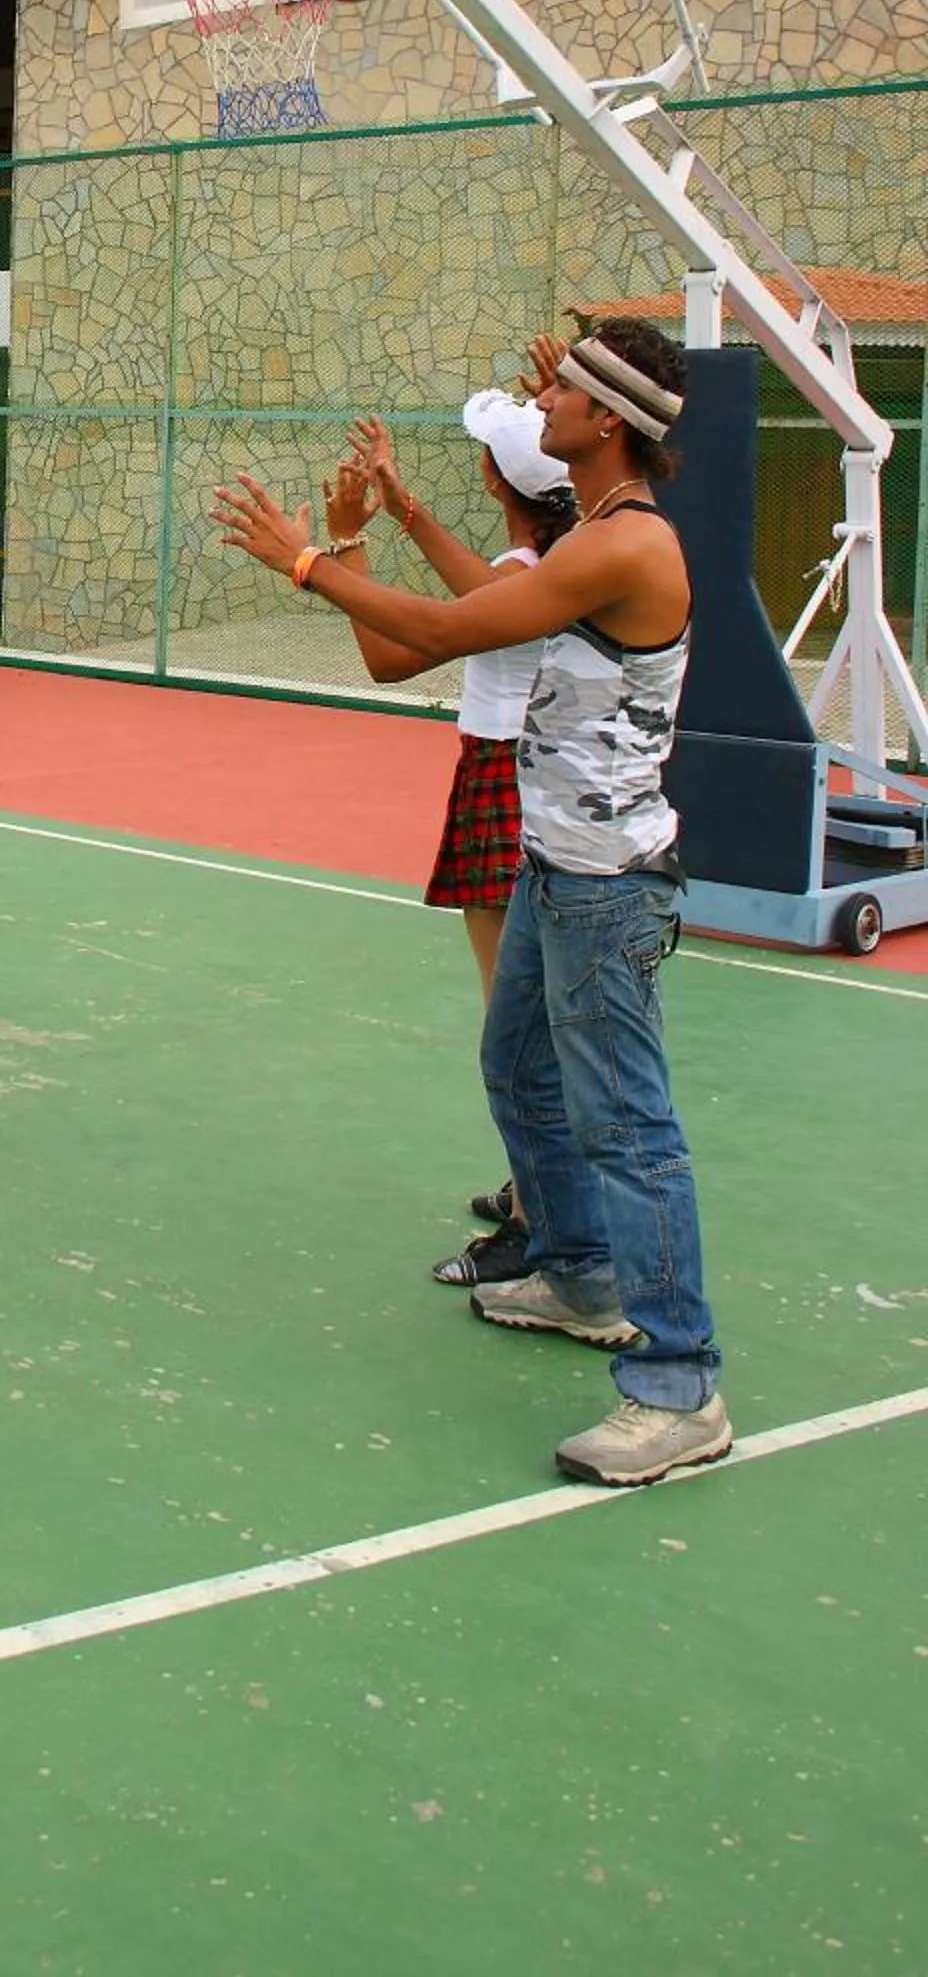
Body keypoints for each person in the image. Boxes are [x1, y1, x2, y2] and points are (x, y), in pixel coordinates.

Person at [216, 319, 731, 1490]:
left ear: (605, 423)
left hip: (605, 888)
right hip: (558, 869)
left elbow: (445, 630)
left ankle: (678, 1386)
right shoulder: (592, 531)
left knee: (629, 1131)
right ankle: (578, 1274)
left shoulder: (622, 547)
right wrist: (375, 527)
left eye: (558, 392)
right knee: (516, 1070)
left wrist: (306, 559)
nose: (536, 403)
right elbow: (459, 609)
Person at [323, 392, 577, 1287]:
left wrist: (335, 548)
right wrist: (400, 506)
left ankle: (539, 1219)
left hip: (510, 779)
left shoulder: (524, 579)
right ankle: (530, 1187)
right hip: (530, 779)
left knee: (519, 1025)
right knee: (534, 1017)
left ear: (493, 478)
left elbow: (396, 655)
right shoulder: (576, 555)